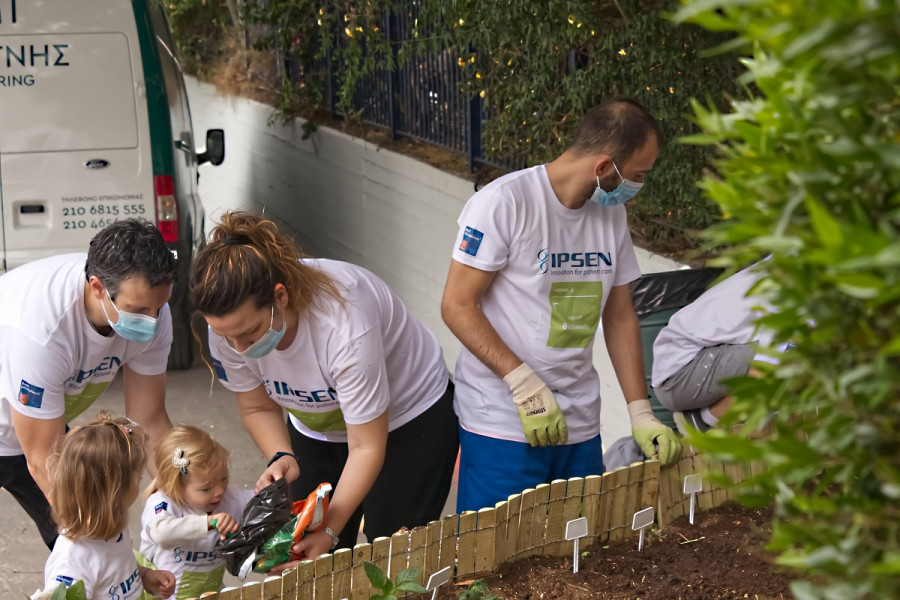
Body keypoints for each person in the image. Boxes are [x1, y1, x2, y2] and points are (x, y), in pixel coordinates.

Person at [441, 98, 682, 513]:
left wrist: (640, 412)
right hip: (503, 421)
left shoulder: (611, 214)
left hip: (580, 422)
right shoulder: (505, 203)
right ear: (605, 168)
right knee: (495, 565)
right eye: (638, 175)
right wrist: (524, 385)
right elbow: (457, 305)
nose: (639, 186)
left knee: (577, 556)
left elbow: (620, 314)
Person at [188, 211, 458, 563]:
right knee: (301, 549)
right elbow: (257, 407)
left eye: (249, 333)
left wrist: (331, 531)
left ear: (280, 297)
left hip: (406, 420)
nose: (238, 349)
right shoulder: (227, 325)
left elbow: (365, 446)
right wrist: (281, 454)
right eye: (227, 337)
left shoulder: (344, 323)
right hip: (318, 426)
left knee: (390, 551)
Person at [0, 219, 177, 550]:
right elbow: (43, 460)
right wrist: (107, 542)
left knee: (83, 552)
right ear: (97, 288)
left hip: (40, 425)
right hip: (27, 435)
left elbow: (150, 420)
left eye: (159, 307)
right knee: (91, 536)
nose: (152, 322)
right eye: (138, 310)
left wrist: (184, 483)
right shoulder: (42, 333)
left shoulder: (151, 311)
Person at [33, 412, 175, 600]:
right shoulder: (74, 561)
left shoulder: (114, 525)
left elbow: (116, 565)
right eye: (138, 477)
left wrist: (143, 575)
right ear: (115, 491)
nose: (140, 482)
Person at [652, 263, 773, 433]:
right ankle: (704, 421)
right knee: (797, 357)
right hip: (681, 373)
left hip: (693, 361)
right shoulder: (792, 279)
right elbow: (765, 368)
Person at [139, 425, 254, 600]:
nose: (219, 491)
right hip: (163, 594)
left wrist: (270, 494)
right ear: (174, 486)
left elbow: (258, 504)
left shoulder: (230, 498)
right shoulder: (162, 503)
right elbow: (161, 533)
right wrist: (207, 523)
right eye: (206, 488)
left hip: (210, 590)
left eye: (224, 478)